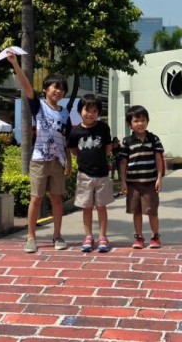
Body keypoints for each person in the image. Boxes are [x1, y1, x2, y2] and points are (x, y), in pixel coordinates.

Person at [7, 50, 71, 253]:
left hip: (57, 162)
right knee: (36, 198)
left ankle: (58, 236)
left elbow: (66, 139)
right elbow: (26, 86)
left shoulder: (65, 113)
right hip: (39, 160)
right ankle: (31, 237)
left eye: (62, 89)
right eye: (55, 87)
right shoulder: (38, 106)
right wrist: (15, 64)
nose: (58, 91)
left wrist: (68, 161)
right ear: (45, 89)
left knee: (57, 199)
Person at [68, 94, 114, 253]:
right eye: (87, 110)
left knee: (101, 207)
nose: (90, 114)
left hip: (101, 174)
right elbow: (74, 151)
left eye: (94, 111)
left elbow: (108, 148)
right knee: (86, 207)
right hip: (84, 175)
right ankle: (88, 236)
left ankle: (103, 237)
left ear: (98, 113)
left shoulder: (103, 127)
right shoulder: (75, 131)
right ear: (80, 110)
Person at [119, 105, 164, 249]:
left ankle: (155, 236)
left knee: (152, 211)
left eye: (143, 120)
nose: (140, 123)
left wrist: (159, 178)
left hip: (150, 182)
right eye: (136, 121)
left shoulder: (153, 138)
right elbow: (123, 162)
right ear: (130, 124)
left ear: (148, 121)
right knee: (136, 211)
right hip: (132, 183)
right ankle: (138, 237)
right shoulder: (126, 141)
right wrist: (123, 182)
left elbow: (158, 159)